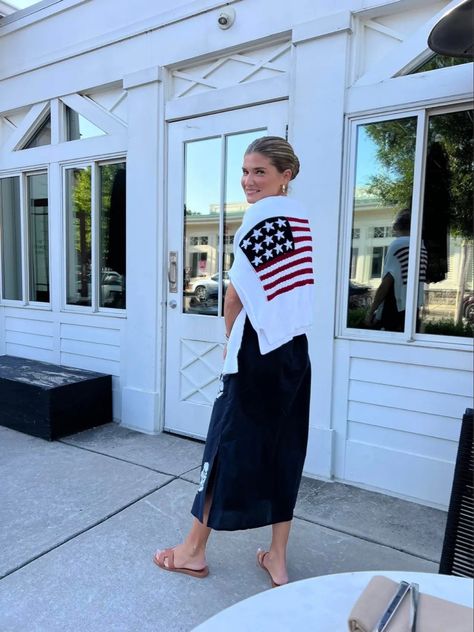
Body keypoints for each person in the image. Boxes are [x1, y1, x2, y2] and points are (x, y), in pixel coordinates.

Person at [154, 136, 315, 588]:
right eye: (245, 171)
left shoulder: (259, 217)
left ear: (286, 175)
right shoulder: (300, 217)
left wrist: (229, 342)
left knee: (224, 447)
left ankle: (191, 551)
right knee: (285, 449)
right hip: (294, 351)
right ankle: (277, 559)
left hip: (256, 351)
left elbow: (234, 295)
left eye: (259, 171)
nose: (248, 181)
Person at [365, 208, 427, 331]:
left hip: (395, 307)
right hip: (413, 308)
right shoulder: (421, 246)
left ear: (396, 226)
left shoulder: (398, 245)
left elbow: (386, 284)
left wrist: (371, 311)